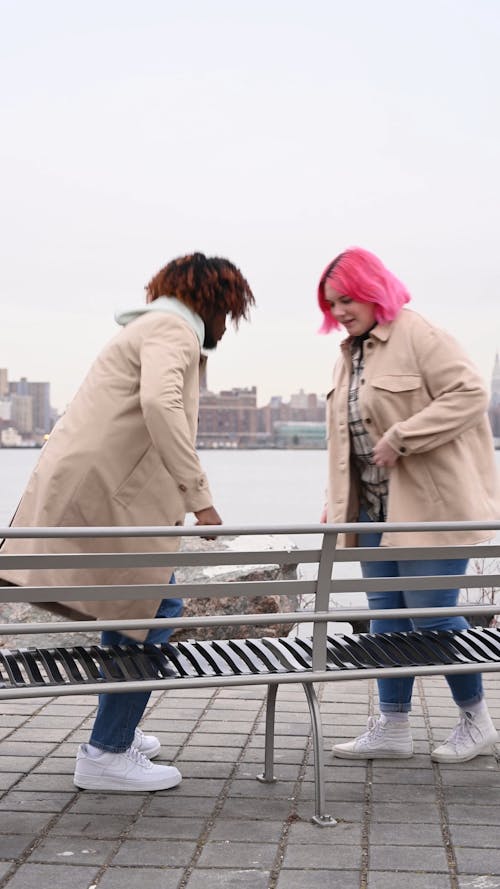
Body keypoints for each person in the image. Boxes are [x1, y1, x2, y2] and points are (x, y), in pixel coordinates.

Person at [0, 252, 255, 790]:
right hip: (106, 493)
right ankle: (107, 751)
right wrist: (200, 498)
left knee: (133, 613)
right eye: (228, 315)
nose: (226, 329)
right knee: (154, 610)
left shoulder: (150, 326)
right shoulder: (172, 329)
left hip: (93, 487)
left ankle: (115, 733)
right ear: (210, 302)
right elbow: (161, 405)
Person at [317, 246, 500, 763]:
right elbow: (348, 438)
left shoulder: (420, 335)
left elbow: (468, 394)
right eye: (332, 304)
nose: (340, 312)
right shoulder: (349, 353)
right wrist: (335, 501)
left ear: (374, 289)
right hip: (373, 511)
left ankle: (477, 721)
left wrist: (404, 436)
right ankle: (393, 725)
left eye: (348, 299)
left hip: (431, 507)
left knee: (433, 616)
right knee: (387, 618)